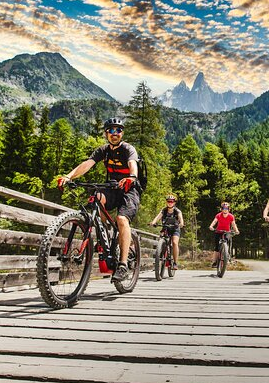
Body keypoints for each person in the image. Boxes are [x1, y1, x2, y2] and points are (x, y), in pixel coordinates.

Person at [57, 118, 140, 281]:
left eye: (118, 130)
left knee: (122, 219)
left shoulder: (128, 149)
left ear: (122, 133)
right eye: (110, 130)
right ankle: (105, 239)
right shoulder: (103, 150)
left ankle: (123, 265)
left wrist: (132, 176)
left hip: (130, 190)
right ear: (106, 133)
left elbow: (133, 164)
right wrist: (68, 176)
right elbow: (87, 164)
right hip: (112, 188)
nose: (114, 134)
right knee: (96, 198)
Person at [150, 194, 185, 269]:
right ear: (166, 202)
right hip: (166, 228)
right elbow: (158, 217)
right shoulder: (164, 210)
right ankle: (159, 258)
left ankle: (175, 263)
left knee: (175, 243)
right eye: (168, 201)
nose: (170, 203)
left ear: (174, 202)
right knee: (161, 240)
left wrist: (181, 223)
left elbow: (181, 218)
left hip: (175, 228)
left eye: (172, 201)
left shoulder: (177, 211)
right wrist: (153, 222)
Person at [208, 202, 240, 267]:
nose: (225, 210)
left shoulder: (231, 216)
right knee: (217, 247)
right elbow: (214, 221)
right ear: (221, 209)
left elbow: (233, 224)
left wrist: (236, 230)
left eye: (227, 208)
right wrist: (211, 226)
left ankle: (226, 258)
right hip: (218, 231)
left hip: (227, 232)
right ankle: (214, 261)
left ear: (229, 209)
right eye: (223, 208)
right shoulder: (218, 215)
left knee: (227, 244)